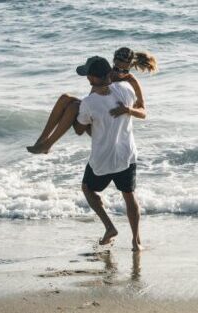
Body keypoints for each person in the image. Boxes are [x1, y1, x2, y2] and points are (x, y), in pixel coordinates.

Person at [72, 56, 146, 252]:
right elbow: (140, 107)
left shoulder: (88, 103)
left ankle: (109, 227)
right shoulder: (126, 91)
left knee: (87, 188)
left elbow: (80, 129)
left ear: (92, 78)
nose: (87, 78)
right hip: (126, 155)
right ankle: (136, 242)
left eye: (88, 75)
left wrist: (72, 114)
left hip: (102, 159)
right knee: (129, 196)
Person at [27, 47, 157, 154]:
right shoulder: (107, 74)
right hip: (96, 114)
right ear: (113, 64)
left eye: (124, 70)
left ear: (130, 67)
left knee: (73, 107)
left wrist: (128, 110)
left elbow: (143, 112)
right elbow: (92, 98)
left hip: (106, 127)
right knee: (64, 98)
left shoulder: (132, 82)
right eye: (116, 68)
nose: (119, 73)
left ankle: (48, 144)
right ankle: (42, 140)